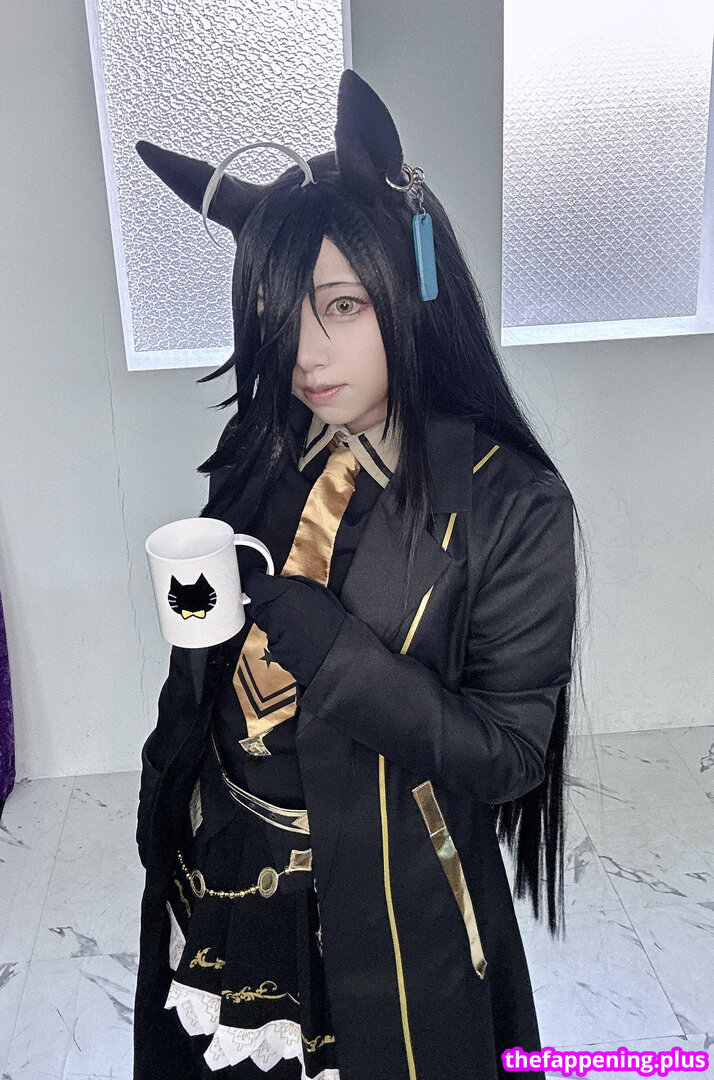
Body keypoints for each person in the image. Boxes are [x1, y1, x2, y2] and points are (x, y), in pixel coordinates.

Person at [132, 68, 586, 1080]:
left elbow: (510, 753)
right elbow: (205, 680)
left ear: (413, 284)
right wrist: (168, 791)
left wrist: (338, 656)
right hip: (226, 867)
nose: (305, 352)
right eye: (279, 310)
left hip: (387, 908)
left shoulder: (512, 504)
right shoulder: (262, 449)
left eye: (341, 304)